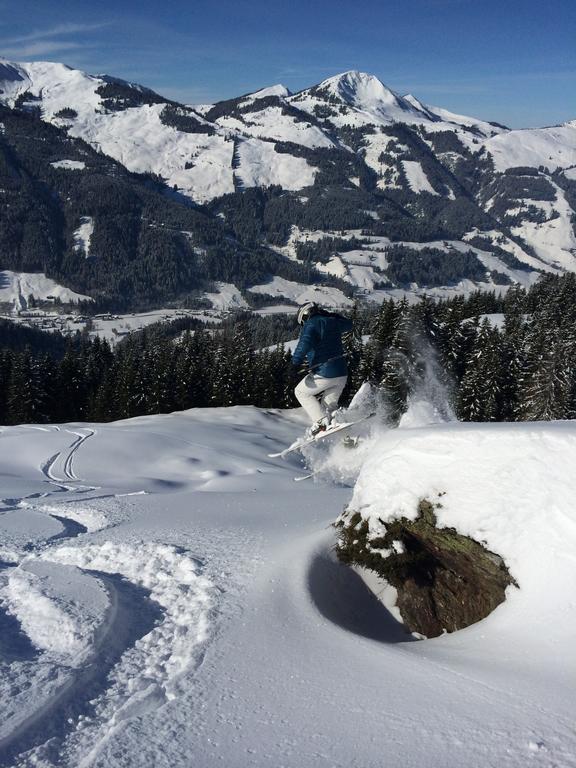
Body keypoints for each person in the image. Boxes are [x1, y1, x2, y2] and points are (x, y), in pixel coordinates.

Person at [291, 302, 353, 436]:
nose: (303, 324)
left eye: (302, 321)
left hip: (325, 373)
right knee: (328, 408)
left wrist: (294, 364)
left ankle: (320, 422)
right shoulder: (332, 321)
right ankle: (348, 439)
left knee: (301, 392)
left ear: (305, 316)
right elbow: (349, 324)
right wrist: (331, 315)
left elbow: (304, 344)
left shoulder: (311, 324)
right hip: (341, 373)